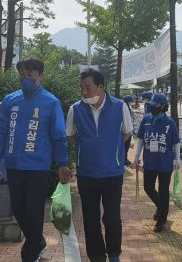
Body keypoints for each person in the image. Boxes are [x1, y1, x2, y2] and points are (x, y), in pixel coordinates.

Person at [0, 58, 70, 262]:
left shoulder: (51, 102)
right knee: (18, 209)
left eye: (29, 75)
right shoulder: (10, 100)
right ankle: (38, 241)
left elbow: (59, 136)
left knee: (33, 211)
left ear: (40, 76)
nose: (25, 79)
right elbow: (1, 131)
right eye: (21, 75)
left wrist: (62, 163)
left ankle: (29, 254)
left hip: (38, 166)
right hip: (14, 165)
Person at [65, 68, 133, 262]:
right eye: (81, 88)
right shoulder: (75, 109)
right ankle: (96, 255)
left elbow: (127, 132)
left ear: (100, 87)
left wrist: (110, 147)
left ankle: (113, 254)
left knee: (112, 217)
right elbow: (70, 135)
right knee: (90, 218)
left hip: (112, 172)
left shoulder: (119, 106)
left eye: (88, 87)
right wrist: (88, 148)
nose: (84, 92)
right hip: (86, 173)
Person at [134, 93, 181, 233]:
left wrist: (177, 158)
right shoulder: (146, 119)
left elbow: (176, 142)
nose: (153, 108)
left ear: (163, 107)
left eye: (156, 106)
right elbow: (141, 138)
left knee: (163, 190)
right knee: (148, 187)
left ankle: (161, 220)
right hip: (149, 161)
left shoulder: (169, 123)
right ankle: (161, 209)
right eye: (152, 105)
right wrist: (137, 155)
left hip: (165, 162)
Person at [123, 94, 135, 165]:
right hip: (126, 130)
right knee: (125, 146)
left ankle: (125, 158)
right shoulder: (125, 107)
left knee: (126, 146)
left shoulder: (127, 107)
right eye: (130, 101)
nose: (131, 103)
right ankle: (124, 159)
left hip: (129, 130)